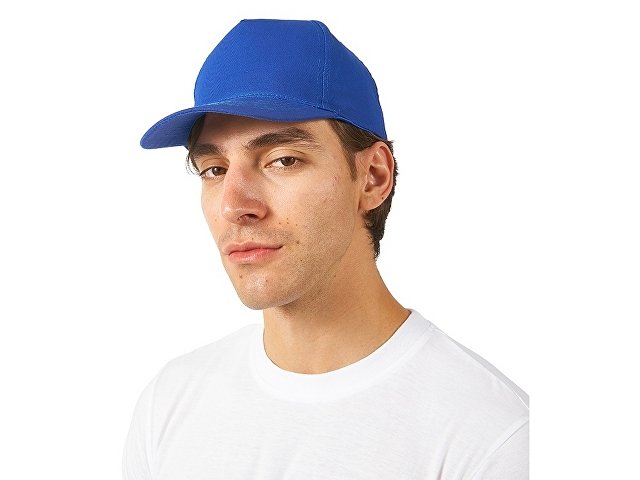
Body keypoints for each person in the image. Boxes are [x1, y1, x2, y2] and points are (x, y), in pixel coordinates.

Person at [123, 19, 529, 479]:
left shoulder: (491, 438)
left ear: (373, 177)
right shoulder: (169, 404)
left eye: (283, 160)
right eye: (214, 169)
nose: (234, 206)